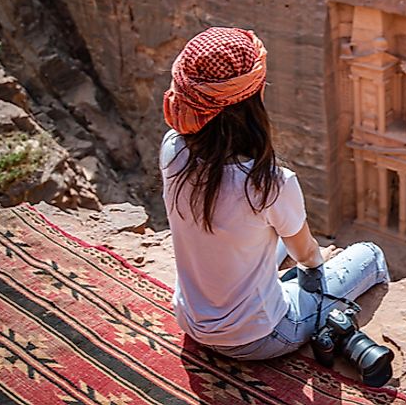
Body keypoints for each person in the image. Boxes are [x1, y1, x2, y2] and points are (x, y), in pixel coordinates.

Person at [159, 27, 389, 360]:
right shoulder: (268, 183)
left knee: (266, 236)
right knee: (370, 256)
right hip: (260, 336)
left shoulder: (172, 149)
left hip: (191, 321)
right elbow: (308, 255)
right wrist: (313, 267)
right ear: (253, 100)